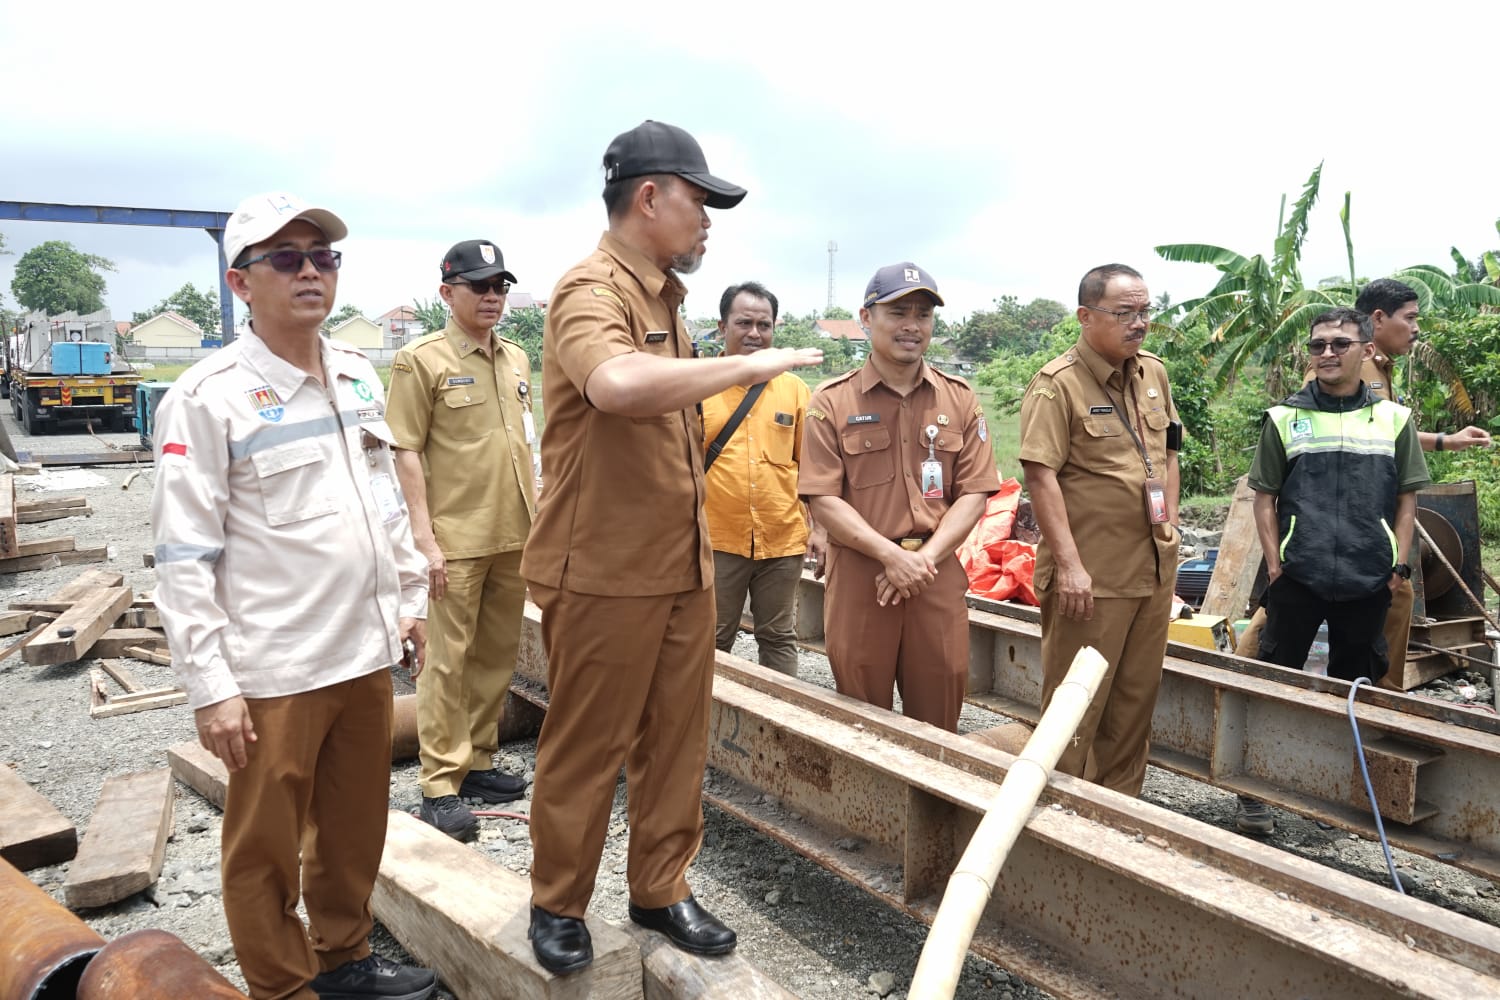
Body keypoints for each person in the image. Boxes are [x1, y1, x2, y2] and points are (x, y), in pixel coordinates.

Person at [519, 120, 823, 976]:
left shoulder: (667, 299)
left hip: (681, 564)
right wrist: (747, 369)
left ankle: (659, 887)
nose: (709, 221)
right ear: (649, 197)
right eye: (701, 202)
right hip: (606, 569)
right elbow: (616, 386)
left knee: (677, 738)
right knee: (589, 742)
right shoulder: (591, 291)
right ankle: (558, 903)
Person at [152, 192, 435, 1000]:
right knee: (265, 848)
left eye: (324, 257)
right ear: (242, 284)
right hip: (275, 670)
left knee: (353, 830)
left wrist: (408, 598)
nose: (311, 272)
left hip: (363, 652)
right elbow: (182, 556)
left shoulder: (353, 374)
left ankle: (344, 961)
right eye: (287, 258)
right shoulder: (208, 398)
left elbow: (382, 502)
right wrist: (212, 688)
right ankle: (282, 986)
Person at [1234, 308, 1431, 834]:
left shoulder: (1394, 419)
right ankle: (1253, 792)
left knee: (1357, 687)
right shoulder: (1284, 418)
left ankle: (1339, 797)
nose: (1326, 353)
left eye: (1339, 344)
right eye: (1318, 344)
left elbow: (1407, 499)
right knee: (1273, 679)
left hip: (1370, 578)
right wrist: (1276, 566)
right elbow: (1264, 499)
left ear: (1366, 350)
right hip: (1299, 576)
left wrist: (1399, 565)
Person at [799, 263, 1000, 732]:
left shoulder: (961, 399)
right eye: (899, 312)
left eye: (924, 314)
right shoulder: (832, 401)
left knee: (939, 716)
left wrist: (921, 560)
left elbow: (974, 493)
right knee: (862, 717)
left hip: (935, 572)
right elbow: (823, 497)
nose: (913, 325)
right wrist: (890, 556)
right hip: (863, 579)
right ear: (866, 318)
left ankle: (935, 806)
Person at [385, 240, 537, 842]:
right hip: (454, 538)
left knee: (497, 654)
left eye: (499, 286)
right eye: (479, 286)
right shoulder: (420, 361)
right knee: (445, 662)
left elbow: (524, 445)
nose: (492, 297)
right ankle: (440, 784)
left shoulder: (518, 359)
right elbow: (406, 449)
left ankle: (477, 760)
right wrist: (423, 539)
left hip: (513, 532)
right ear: (448, 293)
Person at [1019, 263, 1181, 797]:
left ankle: (1119, 811)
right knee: (1075, 705)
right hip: (1092, 578)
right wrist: (1068, 566)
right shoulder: (1056, 385)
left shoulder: (1152, 373)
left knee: (1135, 701)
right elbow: (1040, 477)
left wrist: (1171, 528)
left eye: (1145, 312)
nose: (1139, 323)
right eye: (1124, 313)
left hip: (1152, 571)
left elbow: (1169, 455)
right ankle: (1058, 815)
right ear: (1086, 317)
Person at [703, 280, 825, 676]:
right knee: (712, 637)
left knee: (778, 636)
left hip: (782, 539)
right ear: (722, 327)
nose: (755, 333)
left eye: (764, 324)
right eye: (744, 323)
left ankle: (779, 724)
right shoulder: (698, 385)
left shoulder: (794, 390)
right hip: (717, 538)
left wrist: (819, 530)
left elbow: (813, 469)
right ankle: (707, 726)